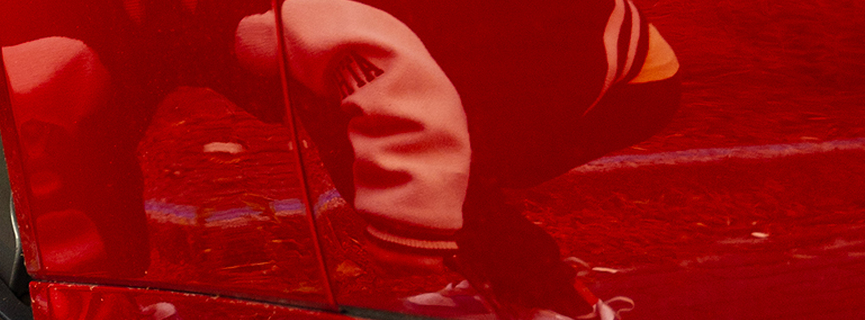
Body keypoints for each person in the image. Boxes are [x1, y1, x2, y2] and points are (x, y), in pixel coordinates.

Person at [235, 0, 682, 319]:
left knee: (444, 178)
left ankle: (562, 302)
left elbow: (576, 40)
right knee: (428, 169)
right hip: (523, 57)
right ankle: (501, 277)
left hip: (624, 84)